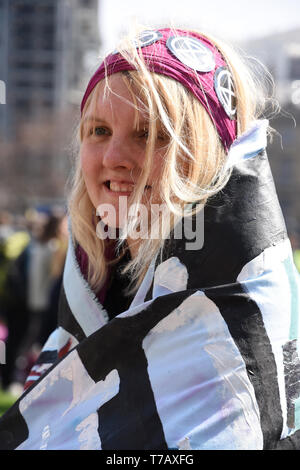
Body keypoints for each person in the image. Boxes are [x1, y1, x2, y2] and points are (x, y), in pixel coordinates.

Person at [0, 26, 300, 451]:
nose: (114, 158)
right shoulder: (91, 298)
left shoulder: (241, 324)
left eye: (151, 133)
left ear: (212, 157)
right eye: (99, 130)